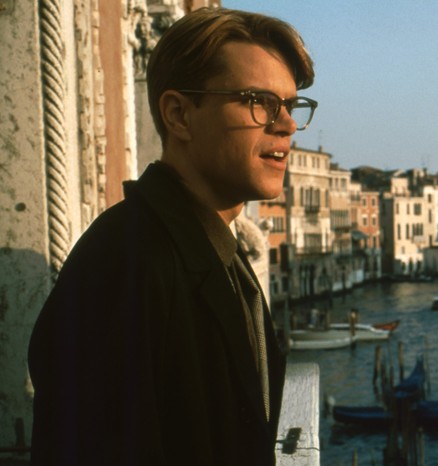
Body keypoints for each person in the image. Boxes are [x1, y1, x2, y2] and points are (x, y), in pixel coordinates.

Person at [28, 7, 316, 465]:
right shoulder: (125, 265)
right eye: (259, 101)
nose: (286, 125)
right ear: (179, 115)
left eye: (291, 105)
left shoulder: (220, 254)